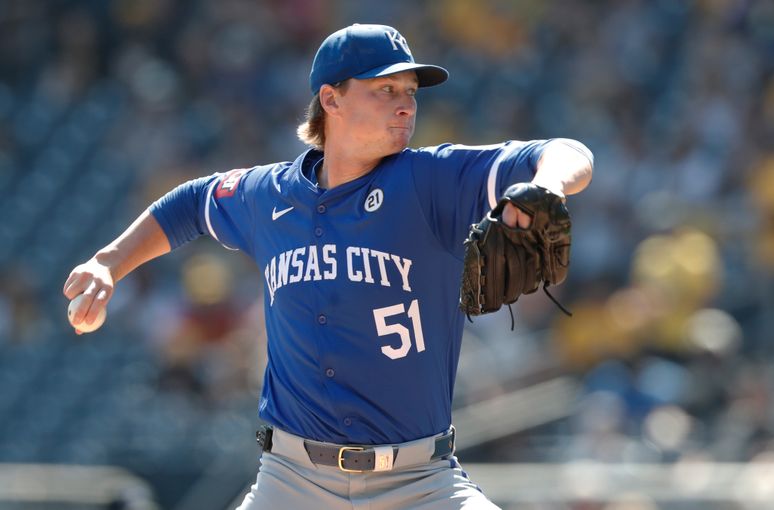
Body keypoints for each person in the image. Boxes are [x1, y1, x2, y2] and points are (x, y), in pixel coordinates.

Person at [63, 23, 593, 509]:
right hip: (291, 480)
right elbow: (189, 205)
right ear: (330, 99)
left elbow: (568, 151)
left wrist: (547, 185)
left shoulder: (432, 181)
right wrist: (109, 262)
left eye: (410, 91)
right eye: (385, 90)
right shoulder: (267, 195)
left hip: (419, 482)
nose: (406, 104)